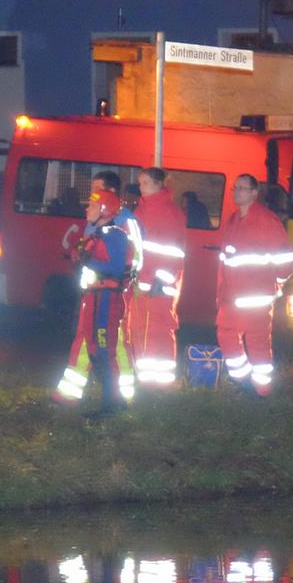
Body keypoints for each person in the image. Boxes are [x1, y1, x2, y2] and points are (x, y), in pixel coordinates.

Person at [52, 184, 139, 415]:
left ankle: (113, 405)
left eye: (91, 205)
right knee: (94, 350)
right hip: (94, 299)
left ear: (104, 209)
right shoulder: (99, 234)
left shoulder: (115, 236)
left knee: (104, 352)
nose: (86, 209)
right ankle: (111, 402)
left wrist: (85, 260)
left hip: (106, 301)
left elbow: (115, 268)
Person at [216, 174, 293, 396]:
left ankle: (262, 390)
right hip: (231, 295)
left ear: (254, 192)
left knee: (257, 343)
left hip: (255, 296)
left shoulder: (266, 220)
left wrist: (278, 282)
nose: (236, 191)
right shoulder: (234, 219)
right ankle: (243, 380)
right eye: (236, 187)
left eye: (242, 188)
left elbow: (284, 259)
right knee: (225, 334)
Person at [129, 167, 188, 389]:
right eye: (140, 183)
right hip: (144, 283)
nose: (140, 187)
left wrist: (162, 280)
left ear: (157, 185)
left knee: (157, 332)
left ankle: (159, 384)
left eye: (144, 183)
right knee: (142, 332)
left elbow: (174, 251)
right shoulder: (142, 210)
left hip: (159, 286)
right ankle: (148, 382)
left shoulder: (169, 213)